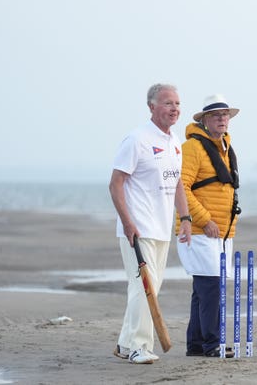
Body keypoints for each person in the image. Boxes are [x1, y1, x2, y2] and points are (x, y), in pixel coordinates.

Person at [109, 83, 192, 365]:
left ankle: (123, 344)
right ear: (152, 107)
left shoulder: (174, 142)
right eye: (168, 103)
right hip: (137, 228)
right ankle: (138, 346)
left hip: (161, 229)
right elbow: (115, 183)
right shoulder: (137, 139)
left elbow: (178, 183)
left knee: (148, 288)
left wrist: (185, 219)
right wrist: (128, 223)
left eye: (178, 103)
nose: (174, 109)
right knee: (144, 288)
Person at [176, 94, 240, 358]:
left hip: (223, 232)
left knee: (203, 290)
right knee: (211, 288)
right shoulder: (192, 148)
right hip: (202, 230)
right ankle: (212, 344)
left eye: (225, 115)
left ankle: (196, 344)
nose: (222, 119)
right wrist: (205, 219)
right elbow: (181, 187)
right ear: (204, 120)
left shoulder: (224, 147)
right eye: (216, 115)